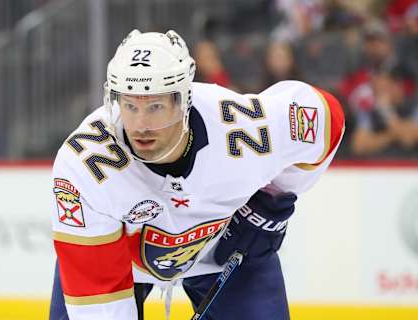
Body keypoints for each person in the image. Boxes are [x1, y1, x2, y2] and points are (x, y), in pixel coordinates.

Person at [49, 29, 345, 320]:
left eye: (154, 106)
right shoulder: (86, 165)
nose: (140, 125)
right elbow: (98, 306)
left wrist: (270, 203)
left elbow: (326, 118)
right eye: (129, 105)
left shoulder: (244, 131)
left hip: (225, 253)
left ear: (183, 100)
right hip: (119, 263)